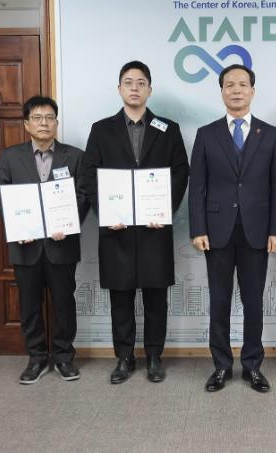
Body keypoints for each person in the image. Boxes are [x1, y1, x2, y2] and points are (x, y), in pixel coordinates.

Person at [81, 61, 189, 384]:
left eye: (141, 83)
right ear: (119, 89)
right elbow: (89, 176)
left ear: (149, 90)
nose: (134, 88)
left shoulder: (168, 128)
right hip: (117, 231)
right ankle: (124, 357)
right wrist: (107, 214)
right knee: (121, 298)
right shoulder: (102, 129)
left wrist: (163, 209)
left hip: (155, 230)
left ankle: (154, 356)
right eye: (128, 82)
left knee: (156, 297)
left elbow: (180, 171)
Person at [188, 64, 276, 393]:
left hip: (257, 231)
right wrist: (198, 228)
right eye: (229, 84)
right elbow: (197, 185)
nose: (236, 90)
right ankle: (221, 366)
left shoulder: (271, 134)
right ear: (221, 91)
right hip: (216, 231)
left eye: (242, 84)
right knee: (219, 301)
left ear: (253, 91)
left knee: (253, 303)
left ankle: (252, 366)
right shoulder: (206, 134)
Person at [0, 95, 88, 384]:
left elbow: (83, 196)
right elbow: (1, 197)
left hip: (62, 245)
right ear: (26, 124)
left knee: (64, 304)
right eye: (37, 118)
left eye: (49, 118)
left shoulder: (75, 156)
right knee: (30, 306)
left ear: (56, 123)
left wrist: (68, 224)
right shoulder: (10, 157)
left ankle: (63, 357)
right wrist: (20, 227)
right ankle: (36, 358)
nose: (44, 123)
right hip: (26, 247)